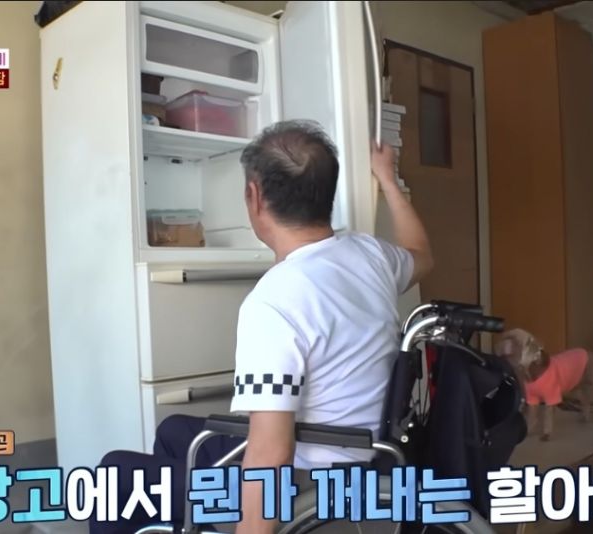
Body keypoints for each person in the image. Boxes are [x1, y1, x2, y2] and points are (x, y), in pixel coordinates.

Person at [90, 120, 433, 534]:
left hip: (307, 481)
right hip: (360, 452)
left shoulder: (274, 302)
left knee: (115, 476)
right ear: (326, 193)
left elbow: (271, 453)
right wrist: (387, 179)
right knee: (174, 431)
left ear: (253, 196)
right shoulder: (370, 255)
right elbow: (422, 254)